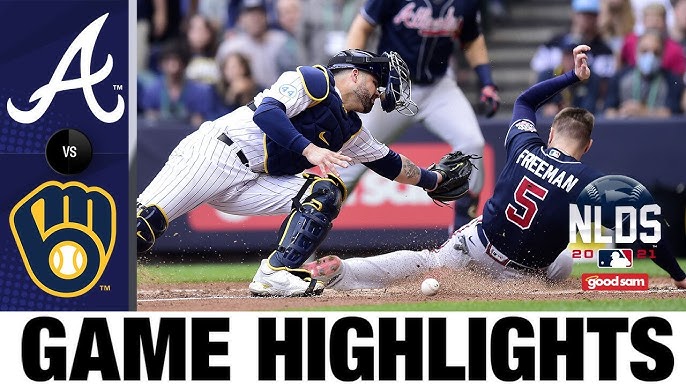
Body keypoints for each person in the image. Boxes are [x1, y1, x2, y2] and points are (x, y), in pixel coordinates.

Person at [303, 45, 686, 290]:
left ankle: (346, 274)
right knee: (569, 259)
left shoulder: (524, 144)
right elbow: (644, 231)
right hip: (522, 274)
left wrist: (573, 76)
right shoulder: (589, 181)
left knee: (427, 262)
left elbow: (525, 99)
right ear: (587, 146)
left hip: (477, 247)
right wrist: (678, 274)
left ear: (551, 132)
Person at [136, 49, 452, 297]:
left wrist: (433, 180)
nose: (378, 91)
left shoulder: (350, 129)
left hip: (252, 181)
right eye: (375, 81)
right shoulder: (314, 80)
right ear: (354, 75)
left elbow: (388, 162)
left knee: (325, 191)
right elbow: (268, 113)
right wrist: (310, 150)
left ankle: (275, 274)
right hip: (217, 153)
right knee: (140, 227)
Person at [340, 0, 501, 230]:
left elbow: (472, 37)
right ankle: (304, 240)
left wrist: (487, 82)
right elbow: (363, 25)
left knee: (472, 144)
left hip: (438, 87)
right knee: (349, 162)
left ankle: (461, 237)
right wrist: (353, 71)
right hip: (391, 86)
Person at [605, 29, 684, 118]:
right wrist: (623, 113)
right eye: (645, 51)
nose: (650, 57)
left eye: (656, 53)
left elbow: (671, 114)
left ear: (663, 54)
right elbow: (609, 112)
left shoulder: (672, 80)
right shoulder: (619, 77)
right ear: (636, 51)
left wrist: (643, 112)